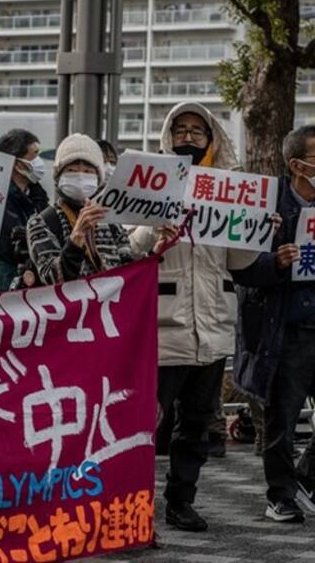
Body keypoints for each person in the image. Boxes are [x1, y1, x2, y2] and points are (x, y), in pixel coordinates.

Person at [129, 101, 258, 532]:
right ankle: (132, 503)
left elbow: (238, 261)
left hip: (214, 324)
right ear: (168, 136)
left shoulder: (229, 186)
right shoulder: (152, 181)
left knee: (197, 424)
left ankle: (181, 501)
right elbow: (134, 245)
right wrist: (159, 220)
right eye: (179, 129)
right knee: (146, 420)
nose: (187, 136)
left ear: (211, 138)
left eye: (196, 131)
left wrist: (258, 228)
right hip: (165, 326)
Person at [232, 124, 315, 523]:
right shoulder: (266, 206)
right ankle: (280, 495)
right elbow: (240, 268)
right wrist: (275, 262)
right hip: (284, 329)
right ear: (297, 164)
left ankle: (303, 476)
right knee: (283, 417)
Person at [25, 133, 145, 285]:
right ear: (58, 176)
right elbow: (51, 279)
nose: (81, 176)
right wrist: (76, 237)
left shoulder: (109, 220)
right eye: (72, 170)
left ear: (98, 178)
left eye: (88, 171)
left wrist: (156, 251)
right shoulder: (41, 222)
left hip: (107, 307)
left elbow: (129, 270)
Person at [0, 129, 49, 291]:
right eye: (35, 155)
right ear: (17, 163)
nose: (39, 161)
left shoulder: (39, 198)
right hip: (3, 287)